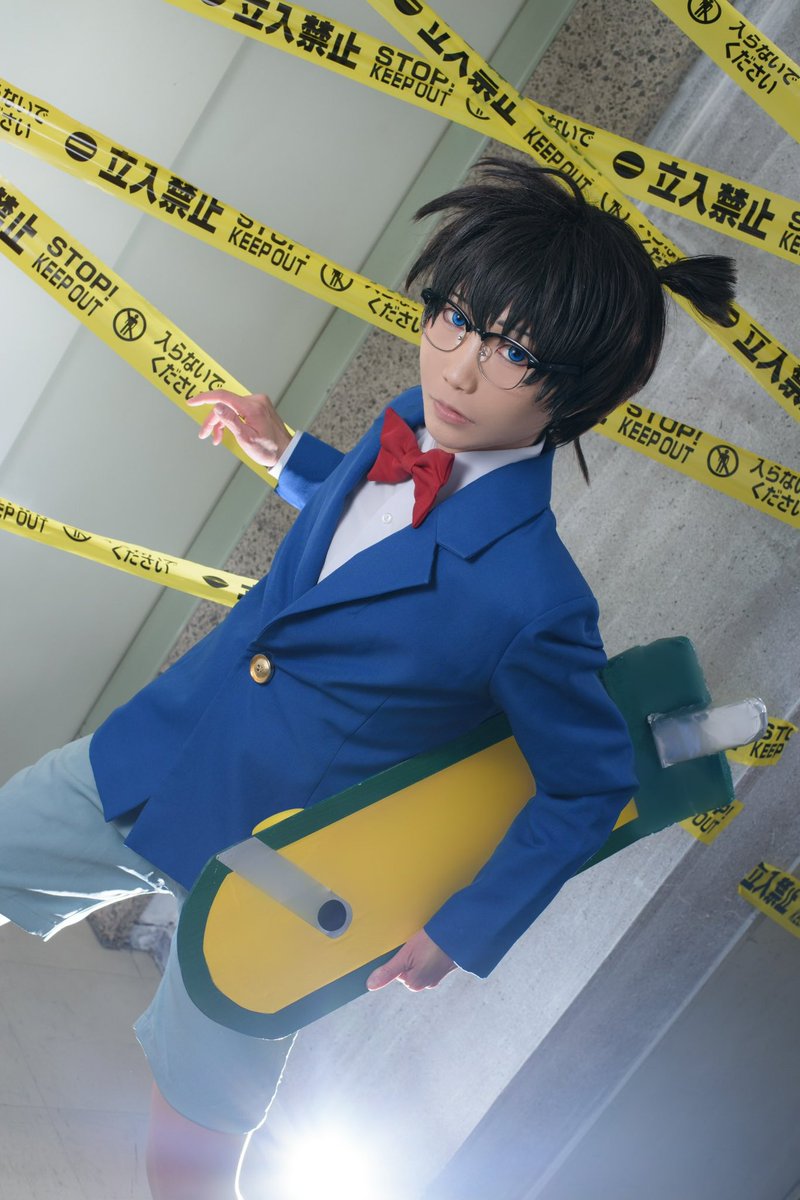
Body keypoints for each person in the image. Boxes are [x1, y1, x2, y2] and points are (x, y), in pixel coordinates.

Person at [0, 159, 735, 1199]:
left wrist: (462, 929)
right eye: (456, 319)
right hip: (161, 753)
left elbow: (589, 782)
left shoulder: (536, 596)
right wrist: (285, 452)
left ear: (574, 393)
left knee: (192, 1149)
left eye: (513, 352)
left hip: (279, 875)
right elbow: (370, 532)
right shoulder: (405, 419)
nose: (460, 369)